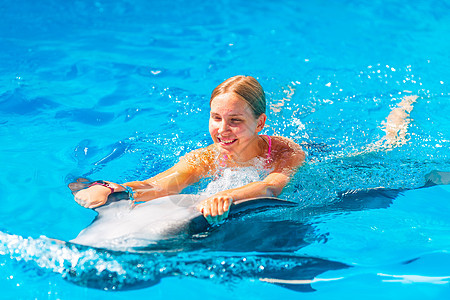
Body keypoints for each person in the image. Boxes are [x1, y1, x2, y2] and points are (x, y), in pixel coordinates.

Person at [73, 75, 306, 224]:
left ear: (260, 123)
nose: (222, 130)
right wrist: (117, 189)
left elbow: (271, 186)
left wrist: (223, 197)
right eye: (216, 118)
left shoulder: (285, 152)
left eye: (235, 120)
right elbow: (160, 185)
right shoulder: (206, 157)